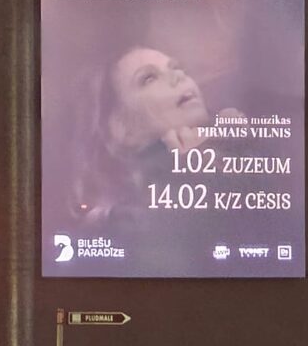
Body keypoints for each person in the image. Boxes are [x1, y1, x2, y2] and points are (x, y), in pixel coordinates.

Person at [69, 45, 240, 227]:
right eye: (149, 78)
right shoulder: (129, 218)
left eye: (177, 68)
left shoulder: (236, 143)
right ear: (119, 129)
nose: (178, 76)